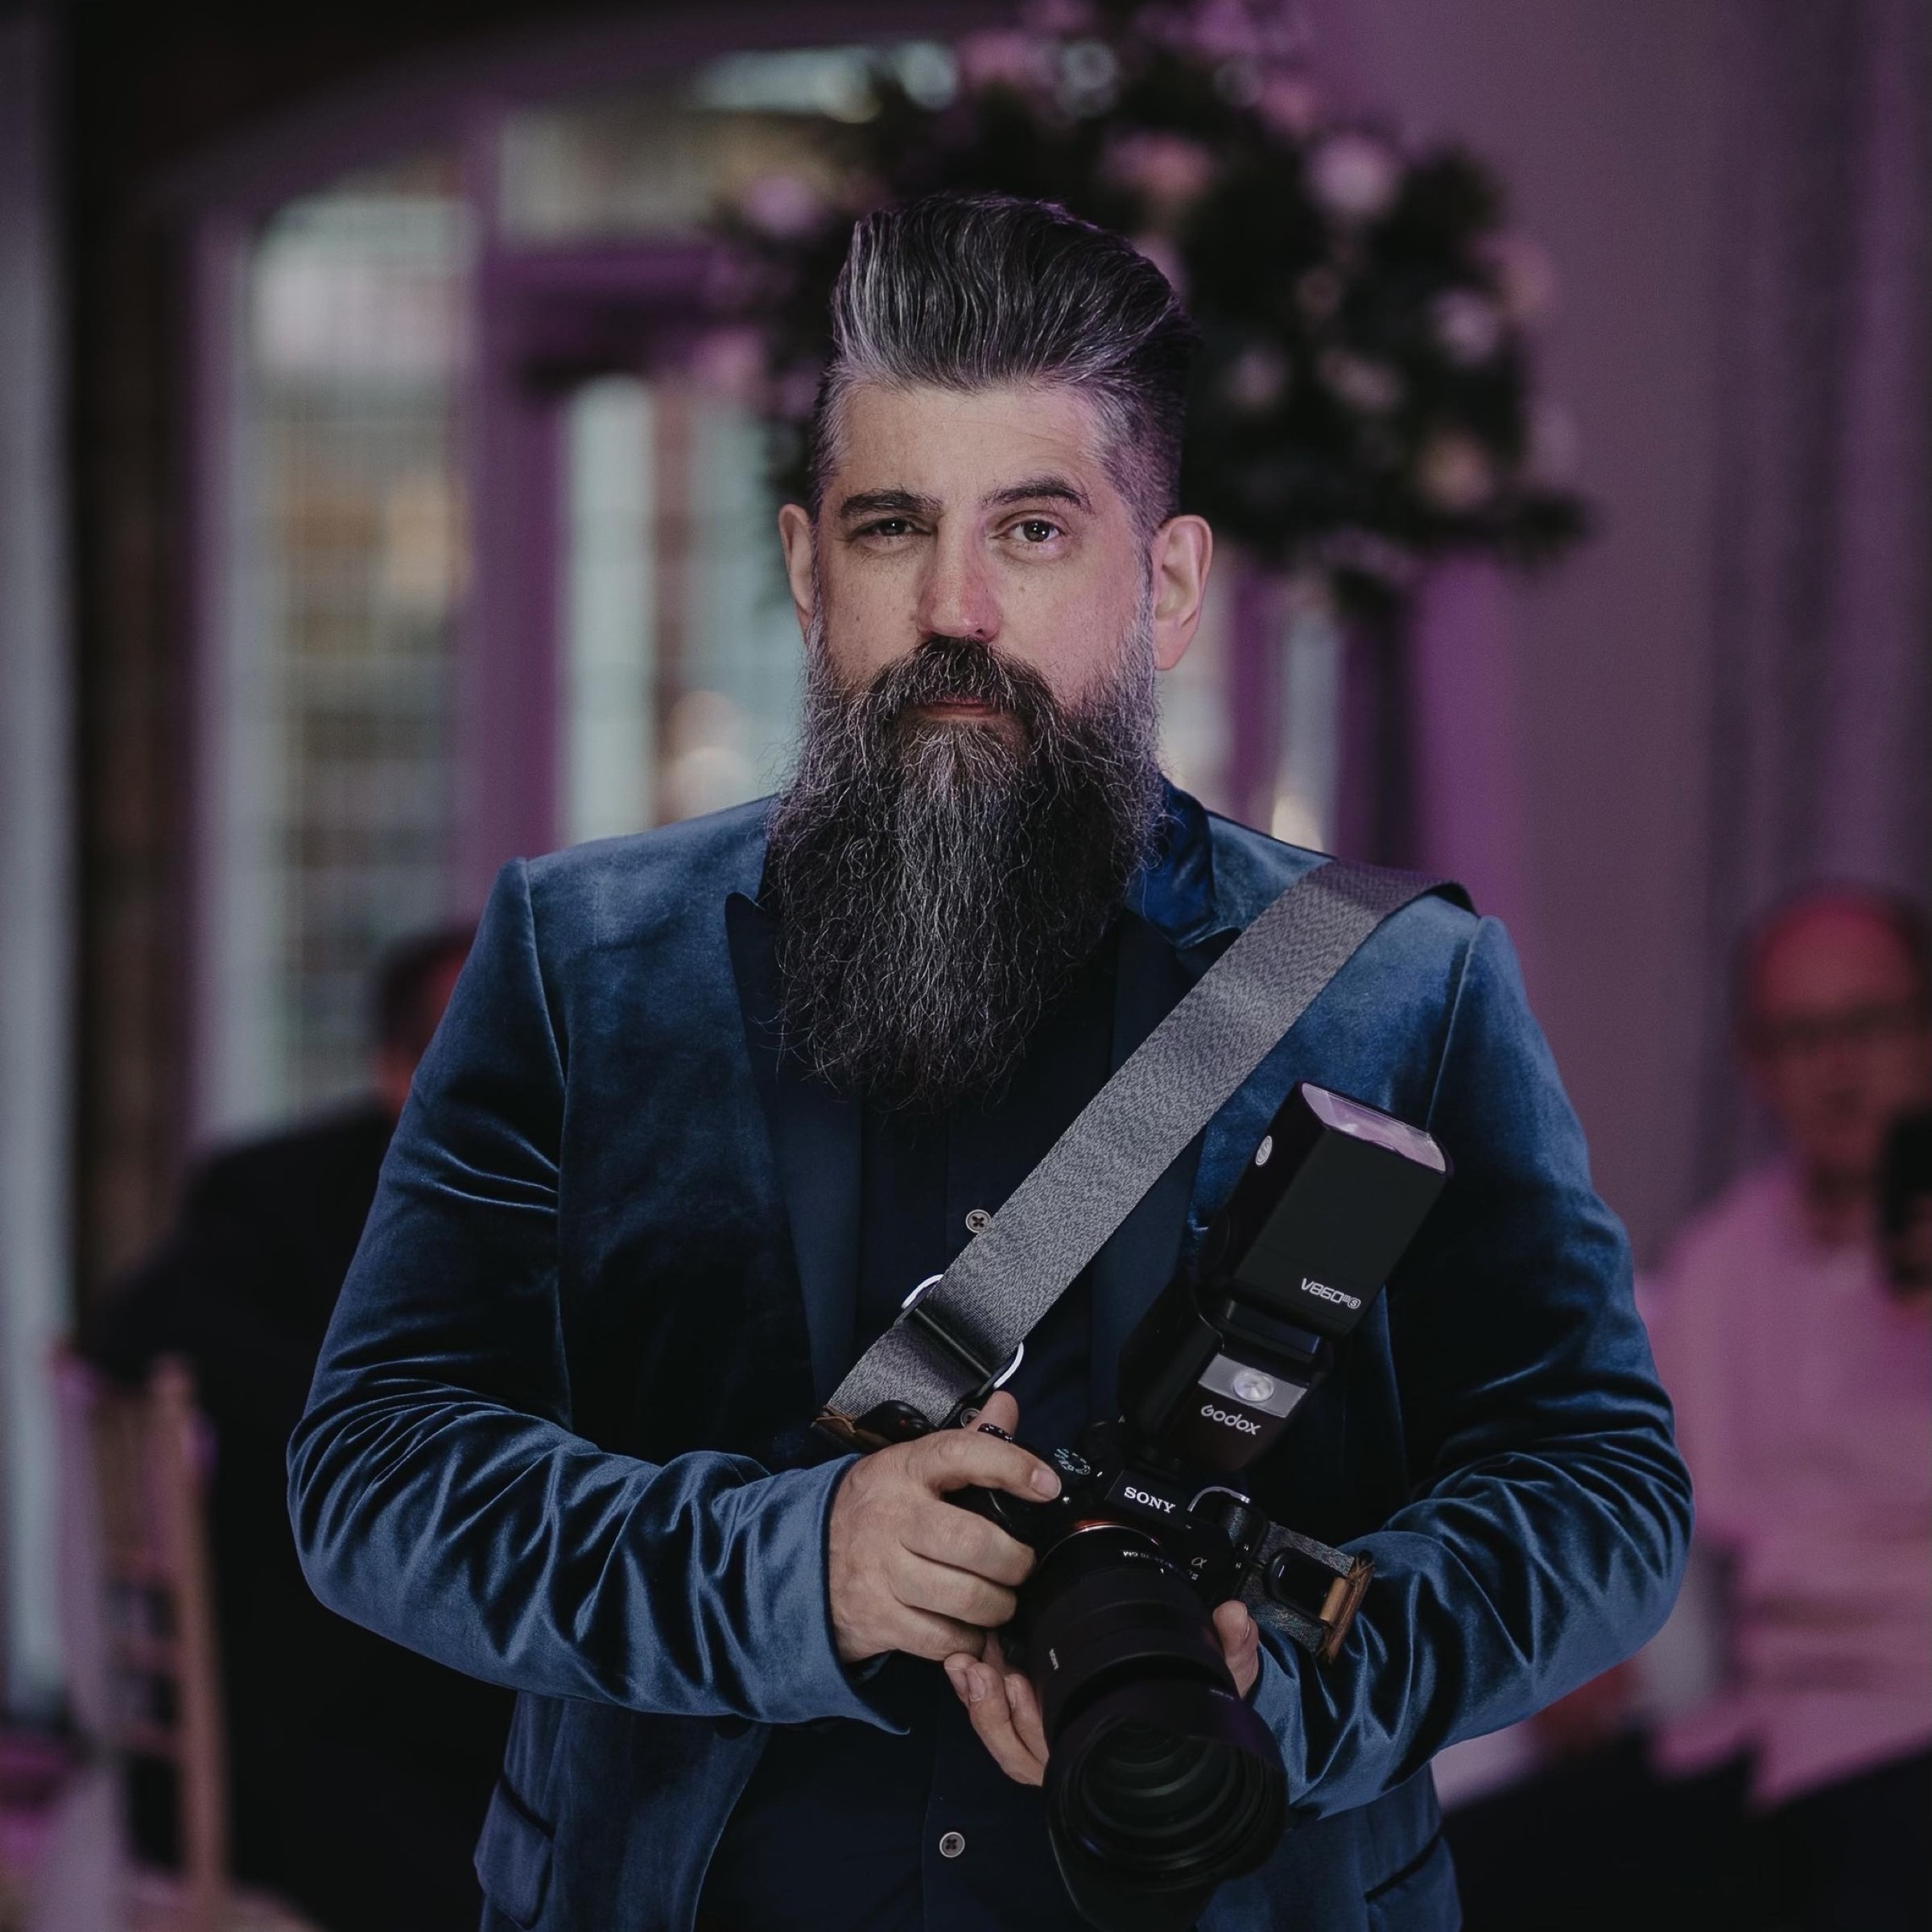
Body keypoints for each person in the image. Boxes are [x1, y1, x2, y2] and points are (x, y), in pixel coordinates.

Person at [287, 194, 1690, 1932]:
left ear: (1163, 584)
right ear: (811, 573)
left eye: (1033, 529)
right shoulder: (582, 960)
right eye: (893, 528)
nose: (956, 607)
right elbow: (374, 1474)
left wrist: (1303, 1685)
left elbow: (1605, 1487)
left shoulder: (1398, 988)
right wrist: (790, 1571)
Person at [89, 926, 511, 1932]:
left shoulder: (561, 1200)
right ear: (390, 1073)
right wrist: (386, 1416)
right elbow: (137, 1326)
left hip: (462, 1681)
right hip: (309, 1713)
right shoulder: (280, 1188)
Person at [1645, 886, 1931, 1930]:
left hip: (1913, 1720)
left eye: (1871, 1025)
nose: (1840, 1069)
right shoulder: (1723, 1261)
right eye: (1801, 1036)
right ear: (1755, 1064)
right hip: (1767, 1729)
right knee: (1468, 1871)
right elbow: (1633, 1487)